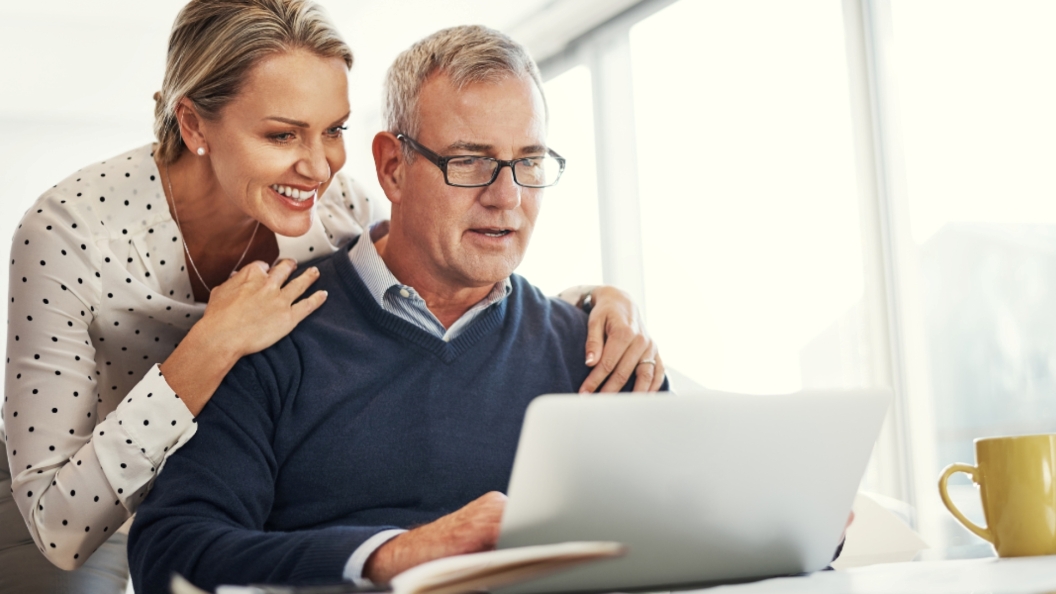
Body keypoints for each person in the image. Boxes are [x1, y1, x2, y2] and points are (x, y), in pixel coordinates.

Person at [0, 2, 663, 593]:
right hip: (74, 503)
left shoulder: (331, 204)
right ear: (194, 126)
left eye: (333, 130)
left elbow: (431, 258)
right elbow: (74, 530)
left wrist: (588, 307)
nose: (318, 165)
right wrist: (214, 344)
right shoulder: (71, 234)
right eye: (282, 134)